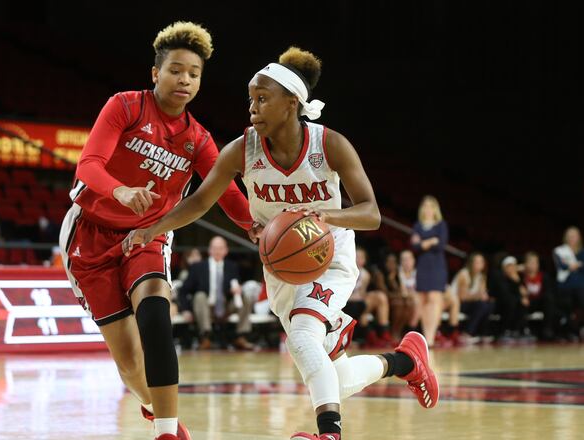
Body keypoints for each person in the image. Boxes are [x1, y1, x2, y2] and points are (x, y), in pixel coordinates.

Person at [124, 47, 438, 440]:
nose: (252, 108)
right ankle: (405, 361)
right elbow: (202, 200)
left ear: (292, 103)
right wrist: (153, 229)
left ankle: (329, 434)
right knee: (330, 379)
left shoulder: (331, 144)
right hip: (282, 264)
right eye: (250, 99)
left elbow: (371, 213)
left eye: (262, 99)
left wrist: (325, 217)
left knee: (303, 338)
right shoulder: (242, 150)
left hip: (329, 254)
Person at [57, 22, 253, 440]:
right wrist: (121, 190)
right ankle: (156, 409)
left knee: (155, 308)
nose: (184, 79)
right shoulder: (126, 107)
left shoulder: (198, 140)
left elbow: (228, 193)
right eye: (176, 70)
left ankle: (166, 431)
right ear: (155, 74)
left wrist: (258, 227)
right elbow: (88, 166)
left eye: (194, 73)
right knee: (128, 362)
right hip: (89, 233)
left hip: (147, 235)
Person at [179, 236, 255, 350]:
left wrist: (236, 290)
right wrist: (185, 310)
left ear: (226, 250)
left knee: (247, 297)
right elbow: (183, 290)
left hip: (226, 306)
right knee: (199, 296)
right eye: (214, 248)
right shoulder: (198, 267)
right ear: (209, 250)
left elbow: (236, 286)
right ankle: (205, 337)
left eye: (220, 248)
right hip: (206, 307)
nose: (217, 251)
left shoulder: (232, 266)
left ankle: (241, 336)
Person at [411, 195, 448, 347]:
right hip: (422, 266)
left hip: (437, 266)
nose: (427, 209)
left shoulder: (441, 225)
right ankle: (427, 337)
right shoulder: (418, 225)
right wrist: (432, 241)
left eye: (430, 206)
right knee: (424, 300)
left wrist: (424, 242)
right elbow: (415, 246)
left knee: (434, 298)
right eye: (425, 206)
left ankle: (431, 337)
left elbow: (441, 245)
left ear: (435, 210)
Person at [345, 247, 391, 347]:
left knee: (380, 296)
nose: (358, 259)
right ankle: (372, 336)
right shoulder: (345, 271)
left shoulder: (365, 275)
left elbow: (361, 294)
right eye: (356, 256)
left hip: (357, 304)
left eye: (361, 257)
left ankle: (384, 334)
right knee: (361, 308)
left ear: (365, 260)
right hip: (345, 304)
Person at [450, 252, 493, 342]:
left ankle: (482, 333)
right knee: (481, 305)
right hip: (456, 303)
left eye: (481, 262)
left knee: (489, 305)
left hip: (471, 303)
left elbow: (482, 293)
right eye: (477, 262)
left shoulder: (481, 276)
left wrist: (484, 296)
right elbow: (462, 297)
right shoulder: (464, 274)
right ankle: (467, 333)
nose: (480, 264)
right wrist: (478, 296)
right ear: (471, 263)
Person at [377, 251, 417, 339]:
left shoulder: (397, 274)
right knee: (400, 303)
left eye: (393, 262)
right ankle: (395, 332)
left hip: (400, 300)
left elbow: (400, 291)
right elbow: (387, 292)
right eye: (389, 262)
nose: (391, 264)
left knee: (408, 303)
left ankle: (402, 332)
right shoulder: (381, 274)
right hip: (389, 301)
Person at [553, 226, 584, 338]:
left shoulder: (582, 252)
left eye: (574, 236)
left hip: (581, 285)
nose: (572, 238)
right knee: (566, 307)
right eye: (570, 236)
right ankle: (570, 331)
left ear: (579, 237)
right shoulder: (559, 251)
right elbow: (561, 266)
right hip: (565, 286)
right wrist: (577, 265)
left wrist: (571, 265)